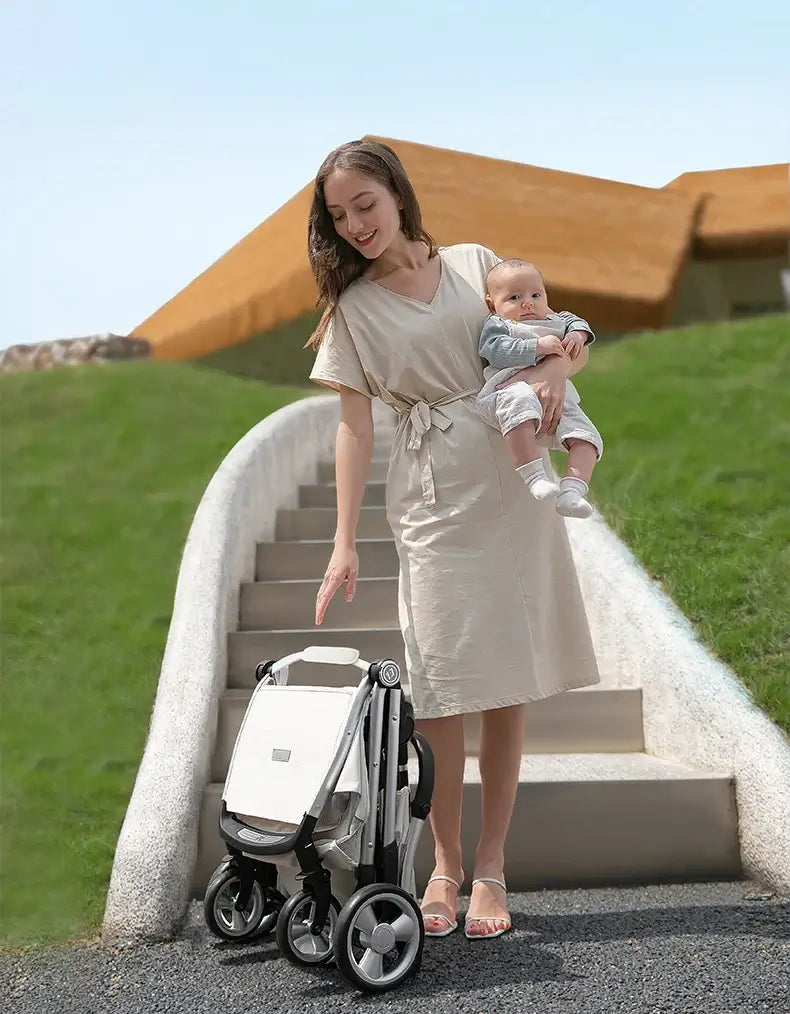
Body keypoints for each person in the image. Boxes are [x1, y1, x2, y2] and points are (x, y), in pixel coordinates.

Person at [307, 139, 600, 940]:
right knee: (437, 685)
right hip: (431, 495)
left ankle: (493, 868)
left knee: (504, 679)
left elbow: (550, 330)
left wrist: (555, 377)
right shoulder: (352, 309)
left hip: (512, 476)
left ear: (398, 195)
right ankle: (443, 865)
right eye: (339, 215)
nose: (356, 224)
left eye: (366, 204)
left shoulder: (476, 262)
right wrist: (343, 541)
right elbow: (352, 425)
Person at [475, 258, 604, 519]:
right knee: (520, 397)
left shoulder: (558, 319)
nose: (527, 302)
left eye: (536, 294)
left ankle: (572, 490)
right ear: (492, 305)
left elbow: (580, 324)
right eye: (514, 297)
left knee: (588, 437)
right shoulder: (500, 325)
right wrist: (537, 348)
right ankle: (533, 475)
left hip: (556, 401)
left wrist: (577, 335)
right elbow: (494, 351)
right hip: (508, 393)